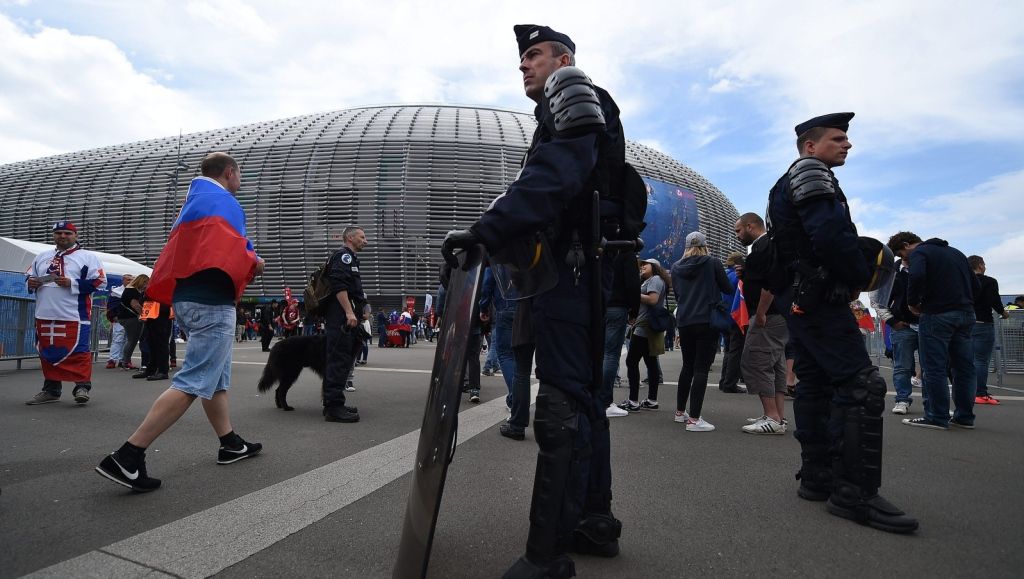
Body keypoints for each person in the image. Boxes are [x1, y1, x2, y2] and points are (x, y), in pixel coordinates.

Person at [442, 24, 625, 577]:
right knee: (585, 401)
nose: (524, 66)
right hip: (579, 273)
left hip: (568, 277)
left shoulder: (570, 86)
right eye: (522, 59)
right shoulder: (565, 105)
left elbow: (554, 177)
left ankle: (546, 556)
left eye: (533, 55)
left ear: (562, 58)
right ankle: (594, 522)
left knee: (563, 409)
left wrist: (484, 231)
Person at [767, 113, 917, 533]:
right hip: (819, 299)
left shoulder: (789, 180)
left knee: (815, 383)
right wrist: (855, 276)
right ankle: (855, 494)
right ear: (811, 146)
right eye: (838, 138)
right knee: (861, 385)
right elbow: (830, 238)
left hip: (803, 299)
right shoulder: (811, 172)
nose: (847, 144)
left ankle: (819, 477)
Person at [95, 152, 265, 492]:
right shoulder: (224, 202)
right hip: (212, 301)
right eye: (240, 174)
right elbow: (230, 252)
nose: (240, 181)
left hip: (188, 297)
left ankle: (230, 443)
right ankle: (129, 455)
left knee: (215, 378)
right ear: (230, 172)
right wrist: (255, 262)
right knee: (195, 378)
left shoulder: (194, 202)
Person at [889, 231, 979, 430]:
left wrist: (913, 302)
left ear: (906, 245)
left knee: (934, 367)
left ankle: (936, 416)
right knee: (964, 367)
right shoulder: (957, 253)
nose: (904, 259)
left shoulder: (920, 253)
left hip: (937, 314)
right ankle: (964, 416)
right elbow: (976, 285)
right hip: (965, 313)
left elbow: (918, 274)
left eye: (901, 254)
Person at [25, 221, 106, 406]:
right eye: (59, 233)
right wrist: (30, 283)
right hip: (44, 314)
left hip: (74, 315)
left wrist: (72, 283)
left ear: (75, 235)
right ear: (54, 235)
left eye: (67, 233)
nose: (62, 236)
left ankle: (82, 387)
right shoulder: (42, 256)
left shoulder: (87, 257)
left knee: (79, 352)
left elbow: (100, 282)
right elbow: (29, 276)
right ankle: (51, 390)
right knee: (47, 353)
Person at [670, 232, 734, 431]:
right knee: (701, 368)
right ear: (705, 245)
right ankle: (695, 419)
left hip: (685, 320)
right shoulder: (712, 262)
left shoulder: (675, 267)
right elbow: (727, 288)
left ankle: (680, 412)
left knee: (687, 366)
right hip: (706, 319)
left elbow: (679, 294)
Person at [734, 213, 789, 434]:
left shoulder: (763, 246)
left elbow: (771, 281)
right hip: (778, 314)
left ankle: (772, 416)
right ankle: (778, 416)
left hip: (767, 313)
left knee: (756, 360)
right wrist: (746, 273)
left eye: (738, 230)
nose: (737, 235)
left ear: (750, 226)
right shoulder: (769, 245)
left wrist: (761, 312)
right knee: (775, 364)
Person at [320, 226, 368, 423]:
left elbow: (354, 289)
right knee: (338, 361)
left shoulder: (351, 258)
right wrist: (349, 311)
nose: (365, 241)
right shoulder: (343, 256)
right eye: (362, 237)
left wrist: (363, 307)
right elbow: (339, 285)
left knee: (343, 360)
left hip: (346, 317)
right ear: (350, 237)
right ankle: (333, 407)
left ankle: (336, 402)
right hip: (340, 318)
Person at [617, 258, 668, 412]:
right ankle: (652, 400)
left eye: (646, 264)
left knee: (631, 361)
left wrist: (633, 294)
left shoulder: (655, 279)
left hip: (644, 327)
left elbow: (653, 300)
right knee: (650, 362)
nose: (642, 266)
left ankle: (633, 401)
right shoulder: (651, 280)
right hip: (646, 326)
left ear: (655, 267)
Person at [872, 254, 919, 415]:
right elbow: (877, 300)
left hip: (928, 323)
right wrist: (892, 321)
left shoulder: (928, 268)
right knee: (902, 366)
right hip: (903, 325)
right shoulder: (891, 272)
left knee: (934, 366)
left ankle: (934, 404)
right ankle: (902, 400)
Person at [602, 251, 640, 418]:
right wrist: (634, 311)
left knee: (595, 354)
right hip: (617, 306)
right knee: (611, 355)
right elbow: (632, 283)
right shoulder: (625, 251)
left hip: (597, 305)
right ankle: (605, 401)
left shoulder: (597, 242)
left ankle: (593, 397)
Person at [967, 255, 1008, 405]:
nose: (985, 267)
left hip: (965, 323)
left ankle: (966, 391)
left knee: (967, 359)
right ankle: (980, 393)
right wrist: (1003, 313)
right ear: (979, 265)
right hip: (983, 323)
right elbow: (994, 300)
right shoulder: (989, 281)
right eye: (984, 264)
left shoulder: (964, 280)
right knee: (981, 360)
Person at [718, 251, 747, 393]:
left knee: (728, 350)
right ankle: (730, 383)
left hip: (724, 317)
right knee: (736, 351)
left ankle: (724, 381)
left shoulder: (724, 275)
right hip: (736, 316)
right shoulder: (737, 276)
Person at [116, 274, 148, 370]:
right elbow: (135, 305)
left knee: (130, 340)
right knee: (132, 340)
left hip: (125, 317)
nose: (146, 286)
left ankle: (124, 360)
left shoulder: (129, 289)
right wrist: (144, 314)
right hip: (131, 318)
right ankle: (125, 361)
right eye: (145, 283)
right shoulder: (133, 291)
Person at [105, 273, 134, 368]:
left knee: (128, 340)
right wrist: (114, 316)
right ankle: (112, 359)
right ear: (123, 280)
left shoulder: (134, 291)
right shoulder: (116, 291)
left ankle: (124, 360)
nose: (130, 281)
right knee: (117, 338)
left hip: (131, 319)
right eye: (128, 280)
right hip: (120, 319)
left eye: (131, 280)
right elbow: (111, 306)